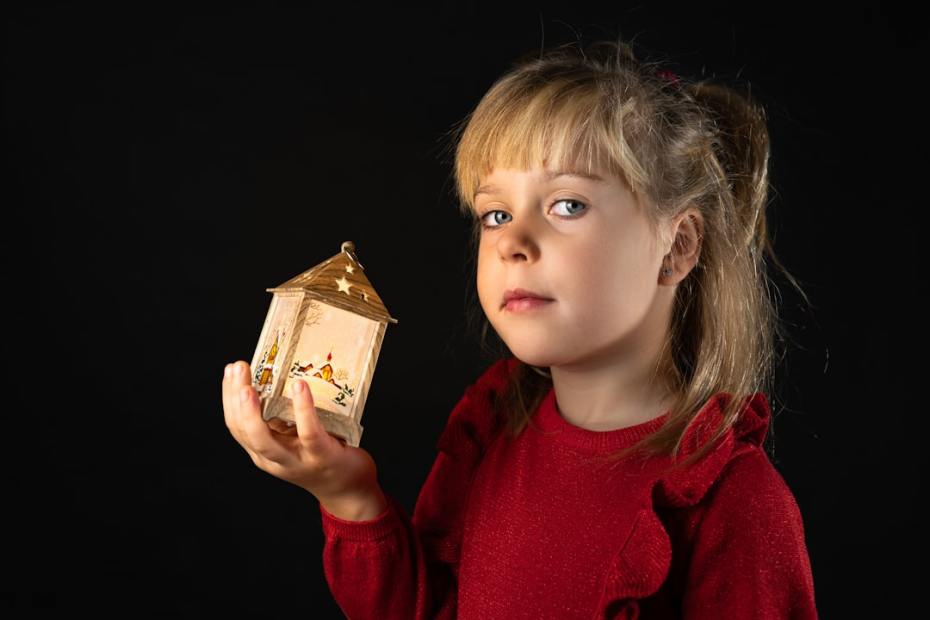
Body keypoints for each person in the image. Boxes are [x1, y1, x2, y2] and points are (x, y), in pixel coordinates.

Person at [222, 37, 818, 619]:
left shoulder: (734, 503)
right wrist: (349, 496)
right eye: (496, 214)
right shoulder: (490, 435)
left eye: (568, 205)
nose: (513, 242)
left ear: (677, 246)